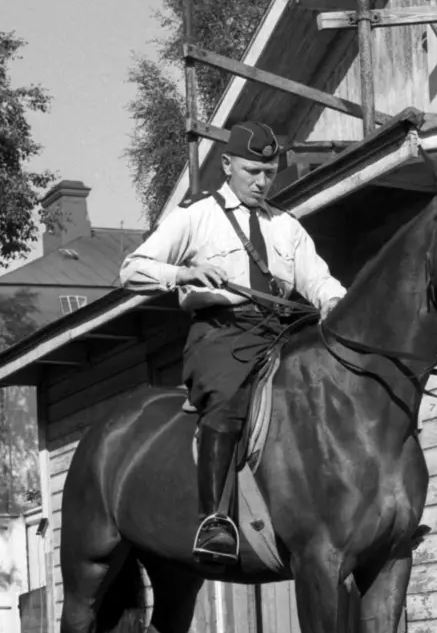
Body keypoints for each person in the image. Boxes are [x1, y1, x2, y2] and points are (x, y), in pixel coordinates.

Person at [119, 121, 346, 563]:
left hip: (281, 330)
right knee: (226, 395)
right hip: (222, 334)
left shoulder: (286, 226)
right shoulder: (195, 217)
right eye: (251, 171)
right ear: (226, 165)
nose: (262, 182)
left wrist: (334, 300)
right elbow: (130, 270)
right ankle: (214, 520)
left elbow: (317, 279)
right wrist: (180, 274)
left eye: (269, 172)